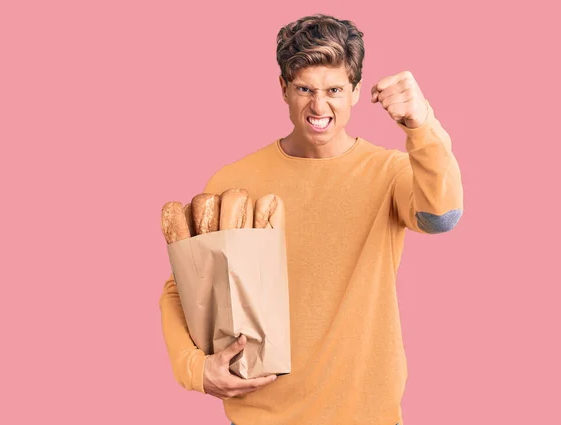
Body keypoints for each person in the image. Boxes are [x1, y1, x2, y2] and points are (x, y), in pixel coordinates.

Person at [159, 13, 463, 425]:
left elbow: (441, 217)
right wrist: (193, 369)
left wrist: (422, 125)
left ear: (356, 91)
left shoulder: (388, 172)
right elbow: (181, 289)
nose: (319, 106)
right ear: (283, 89)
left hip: (366, 415)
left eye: (334, 89)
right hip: (261, 416)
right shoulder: (233, 182)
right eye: (305, 88)